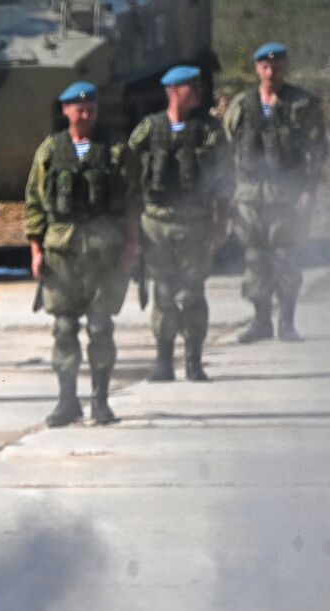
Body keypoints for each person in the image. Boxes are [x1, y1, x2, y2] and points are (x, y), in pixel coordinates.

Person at [25, 82, 141, 427]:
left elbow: (134, 203)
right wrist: (35, 250)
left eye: (90, 107)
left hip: (105, 251)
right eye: (78, 108)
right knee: (63, 327)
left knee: (101, 326)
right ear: (65, 111)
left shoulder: (116, 151)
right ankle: (67, 400)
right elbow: (34, 203)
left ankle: (100, 401)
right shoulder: (49, 151)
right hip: (61, 253)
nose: (85, 113)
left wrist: (131, 248)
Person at [127, 65, 232, 382]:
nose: (198, 93)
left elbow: (226, 180)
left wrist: (221, 221)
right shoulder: (149, 129)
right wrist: (131, 226)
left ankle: (193, 361)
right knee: (163, 292)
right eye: (191, 88)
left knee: (192, 293)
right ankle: (163, 362)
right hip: (156, 222)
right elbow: (128, 173)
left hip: (195, 222)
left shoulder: (209, 131)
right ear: (173, 91)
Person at [224, 42, 327, 343]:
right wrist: (229, 192)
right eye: (266, 67)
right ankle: (260, 320)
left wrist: (308, 191)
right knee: (256, 258)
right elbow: (230, 148)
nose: (272, 72)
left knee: (286, 256)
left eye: (277, 66)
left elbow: (316, 151)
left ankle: (287, 321)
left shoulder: (302, 104)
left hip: (287, 193)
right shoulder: (242, 105)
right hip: (250, 194)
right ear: (257, 68)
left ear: (285, 68)